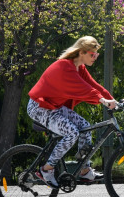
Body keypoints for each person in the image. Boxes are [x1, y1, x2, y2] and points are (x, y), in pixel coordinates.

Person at [27, 36, 118, 188]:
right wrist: (103, 101)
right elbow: (85, 89)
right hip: (40, 107)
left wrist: (113, 100)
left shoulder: (79, 68)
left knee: (85, 126)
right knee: (72, 133)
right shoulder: (64, 67)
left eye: (97, 55)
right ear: (81, 52)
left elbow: (95, 87)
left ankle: (85, 169)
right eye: (92, 54)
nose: (95, 57)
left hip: (54, 106)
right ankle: (46, 170)